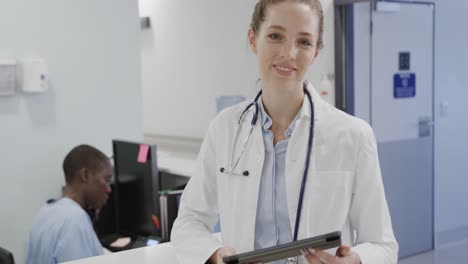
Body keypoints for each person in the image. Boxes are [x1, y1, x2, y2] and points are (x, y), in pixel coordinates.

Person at [171, 0, 398, 263]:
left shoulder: (353, 136)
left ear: (315, 52)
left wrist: (356, 260)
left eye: (303, 42)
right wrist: (214, 254)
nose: (289, 53)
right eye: (276, 36)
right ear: (253, 39)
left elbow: (383, 245)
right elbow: (189, 221)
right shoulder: (225, 129)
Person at [25, 144, 112, 264]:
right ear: (85, 175)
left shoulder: (45, 211)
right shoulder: (75, 221)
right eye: (106, 180)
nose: (109, 189)